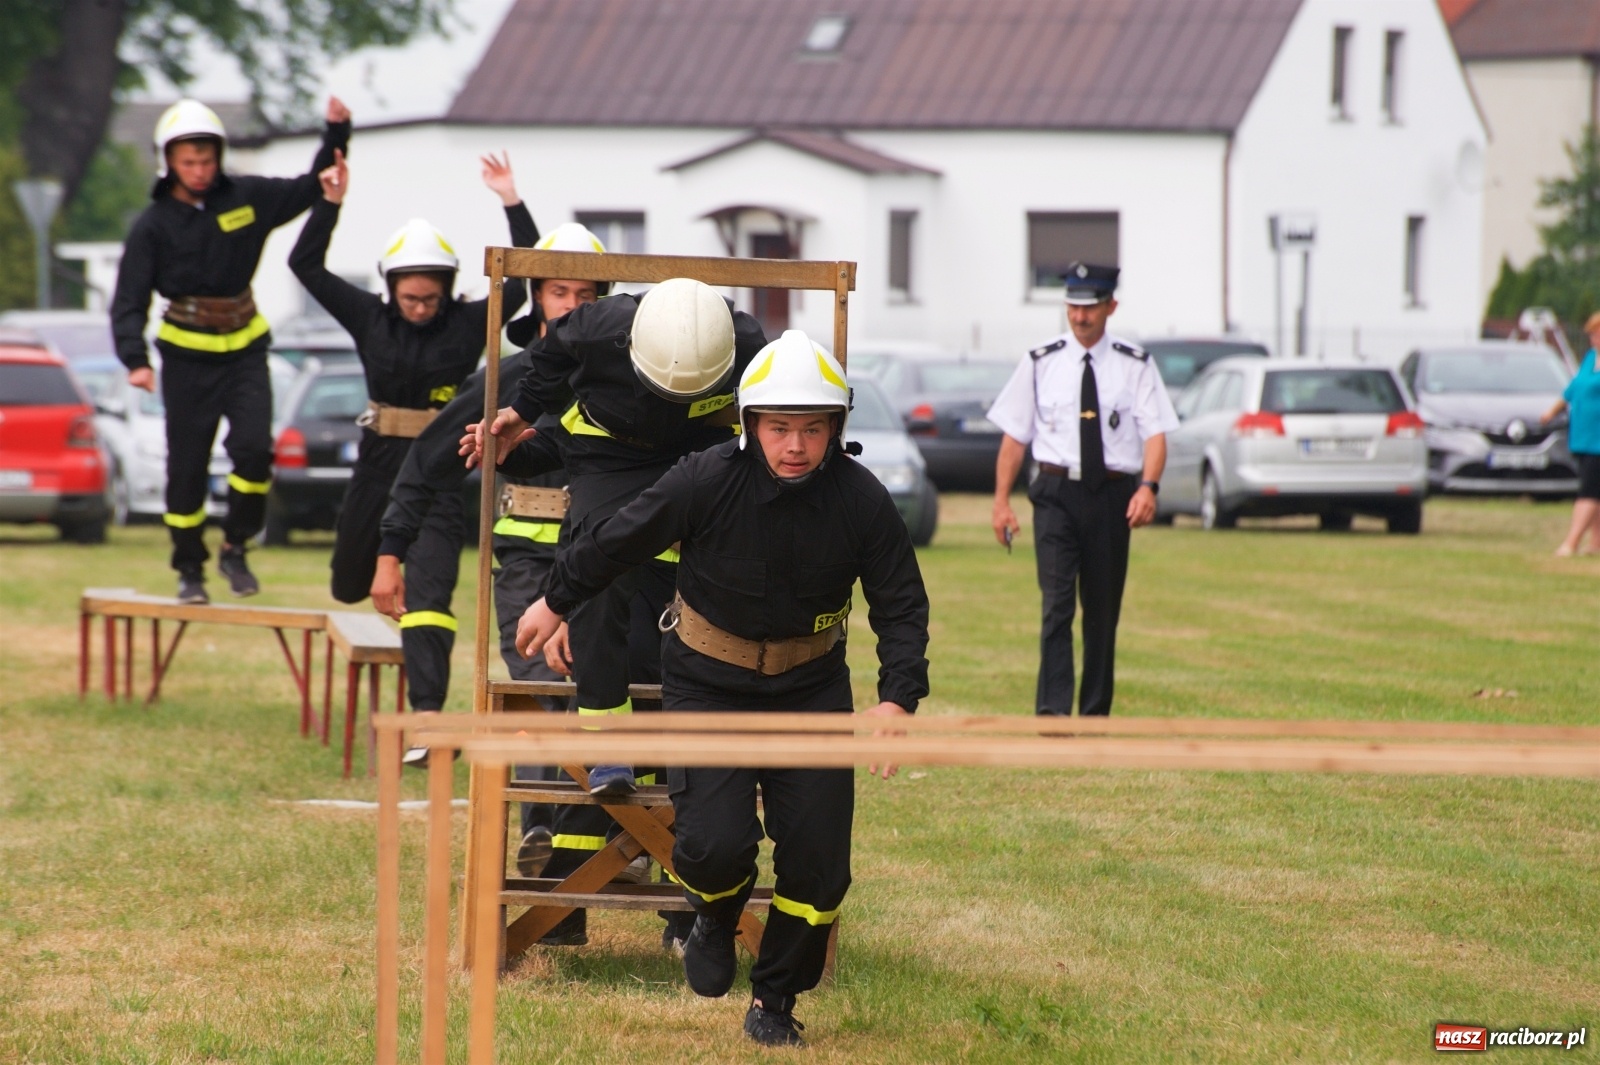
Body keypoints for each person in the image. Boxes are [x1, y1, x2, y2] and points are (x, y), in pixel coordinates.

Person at [513, 329, 930, 1047]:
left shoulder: (863, 501)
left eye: (811, 428)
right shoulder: (704, 477)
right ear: (749, 425)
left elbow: (901, 603)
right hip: (708, 682)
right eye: (778, 427)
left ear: (835, 428)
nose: (794, 445)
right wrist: (554, 600)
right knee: (712, 844)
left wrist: (896, 697)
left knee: (821, 867)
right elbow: (615, 539)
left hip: (813, 689)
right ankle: (711, 910)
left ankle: (775, 998)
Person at [472, 276, 767, 946]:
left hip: (694, 457)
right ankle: (607, 747)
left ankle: (686, 906)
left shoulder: (745, 341)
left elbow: (785, 404)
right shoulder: (594, 326)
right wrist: (519, 412)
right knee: (599, 571)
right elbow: (542, 369)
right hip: (611, 454)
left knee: (697, 617)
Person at [373, 223, 608, 875]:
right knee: (537, 692)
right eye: (559, 291)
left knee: (604, 693)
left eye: (587, 293)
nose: (573, 306)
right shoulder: (512, 376)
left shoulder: (625, 378)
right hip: (528, 569)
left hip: (610, 567)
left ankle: (602, 846)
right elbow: (428, 459)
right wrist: (391, 552)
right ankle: (541, 831)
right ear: (536, 298)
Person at [288, 148, 536, 713]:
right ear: (391, 288)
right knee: (349, 585)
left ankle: (425, 714)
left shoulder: (471, 320)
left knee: (429, 592)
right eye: (410, 298)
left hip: (441, 469)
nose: (421, 308)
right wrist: (329, 203)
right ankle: (380, 587)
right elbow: (305, 266)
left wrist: (511, 201)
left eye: (431, 297)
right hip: (377, 460)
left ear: (448, 288)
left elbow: (523, 275)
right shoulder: (368, 316)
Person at [111, 97, 351, 603]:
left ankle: (236, 547)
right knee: (187, 469)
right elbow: (129, 301)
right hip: (184, 358)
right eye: (188, 162)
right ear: (168, 162)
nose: (199, 171)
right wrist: (135, 360)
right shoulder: (152, 225)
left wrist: (336, 132)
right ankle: (189, 569)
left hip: (244, 350)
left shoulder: (248, 196)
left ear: (219, 156)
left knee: (252, 452)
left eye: (207, 160)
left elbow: (311, 186)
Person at [987, 262, 1178, 717]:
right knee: (1056, 607)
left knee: (1102, 611)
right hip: (1055, 494)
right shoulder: (1041, 362)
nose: (1079, 317)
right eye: (1072, 307)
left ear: (1110, 306)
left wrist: (1148, 488)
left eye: (1090, 308)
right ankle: (1052, 715)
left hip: (1112, 498)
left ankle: (1095, 715)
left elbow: (1155, 435)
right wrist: (1000, 502)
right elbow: (1014, 437)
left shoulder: (1135, 366)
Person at [1542, 311, 1600, 556]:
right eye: (1592, 333)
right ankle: (1595, 544)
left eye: (1597, 333)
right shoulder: (1590, 358)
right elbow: (1574, 388)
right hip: (1584, 435)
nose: (1593, 338)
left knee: (1589, 491)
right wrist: (1552, 411)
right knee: (1596, 490)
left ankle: (1571, 542)